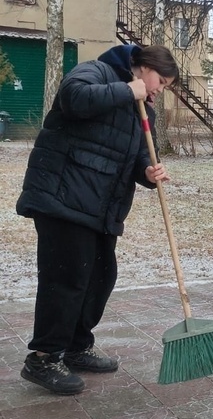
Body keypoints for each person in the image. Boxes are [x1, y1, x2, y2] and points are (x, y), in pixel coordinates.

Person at [16, 44, 179, 395]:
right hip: (62, 197)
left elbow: (133, 153)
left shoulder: (138, 107)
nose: (158, 90)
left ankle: (75, 347)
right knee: (67, 278)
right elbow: (73, 98)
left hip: (99, 205)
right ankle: (43, 358)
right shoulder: (97, 72)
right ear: (144, 66)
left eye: (164, 86)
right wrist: (127, 89)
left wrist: (147, 171)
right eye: (160, 81)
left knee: (101, 276)